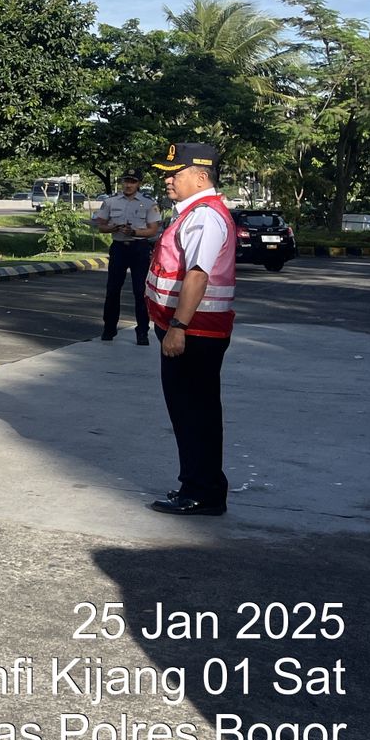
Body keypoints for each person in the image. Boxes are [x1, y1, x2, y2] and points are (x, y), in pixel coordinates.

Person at [145, 142, 238, 516]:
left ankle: (201, 490)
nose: (168, 181)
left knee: (192, 412)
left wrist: (178, 326)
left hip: (194, 333)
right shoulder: (194, 213)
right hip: (194, 331)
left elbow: (197, 276)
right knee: (195, 411)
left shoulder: (203, 216)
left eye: (175, 174)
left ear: (200, 177)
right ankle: (203, 486)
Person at [92, 170, 161, 345]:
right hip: (119, 248)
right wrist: (113, 228)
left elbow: (153, 230)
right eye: (126, 181)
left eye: (132, 181)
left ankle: (142, 332)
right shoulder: (110, 202)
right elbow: (100, 225)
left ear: (138, 183)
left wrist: (134, 232)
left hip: (139, 248)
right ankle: (109, 328)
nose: (128, 185)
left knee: (140, 291)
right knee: (113, 290)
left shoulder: (148, 203)